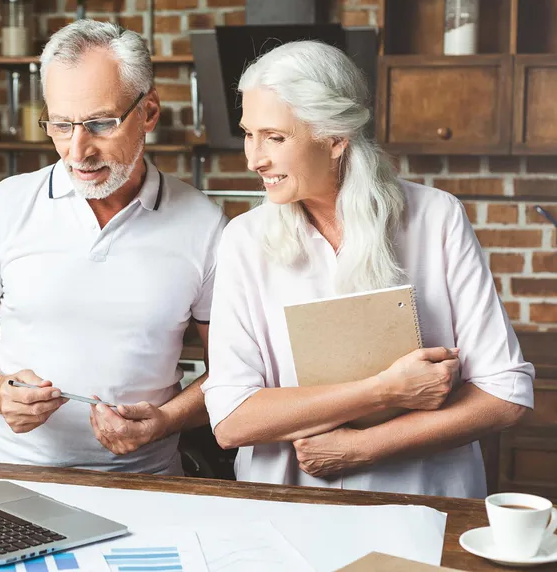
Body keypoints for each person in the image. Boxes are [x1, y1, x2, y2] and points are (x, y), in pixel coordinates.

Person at [201, 40, 534, 498]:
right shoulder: (244, 238)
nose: (254, 158)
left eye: (275, 137)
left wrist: (362, 448)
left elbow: (504, 395)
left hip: (427, 503)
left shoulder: (436, 217)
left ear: (336, 139)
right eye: (248, 133)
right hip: (290, 506)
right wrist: (385, 390)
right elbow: (232, 419)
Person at [0, 20, 226, 475]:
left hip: (148, 486)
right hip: (12, 475)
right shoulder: (5, 206)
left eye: (100, 124)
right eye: (61, 125)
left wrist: (164, 422)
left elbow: (231, 372)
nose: (77, 151)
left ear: (148, 112)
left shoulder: (204, 226)